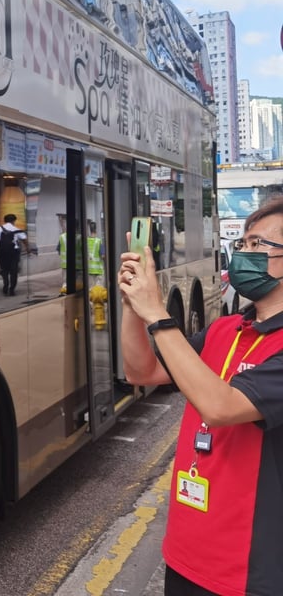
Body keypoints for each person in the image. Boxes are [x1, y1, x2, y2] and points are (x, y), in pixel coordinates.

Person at [117, 197, 283, 596]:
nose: (244, 253)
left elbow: (221, 406)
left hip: (250, 573)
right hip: (185, 557)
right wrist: (132, 305)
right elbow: (142, 372)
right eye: (242, 244)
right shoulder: (224, 330)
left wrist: (158, 313)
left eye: (259, 245)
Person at [0, 213, 26, 296]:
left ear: (5, 220)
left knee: (4, 270)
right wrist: (28, 248)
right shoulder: (16, 229)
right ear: (14, 221)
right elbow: (24, 239)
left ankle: (5, 285)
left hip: (3, 253)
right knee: (13, 271)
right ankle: (12, 289)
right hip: (14, 253)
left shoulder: (0, 228)